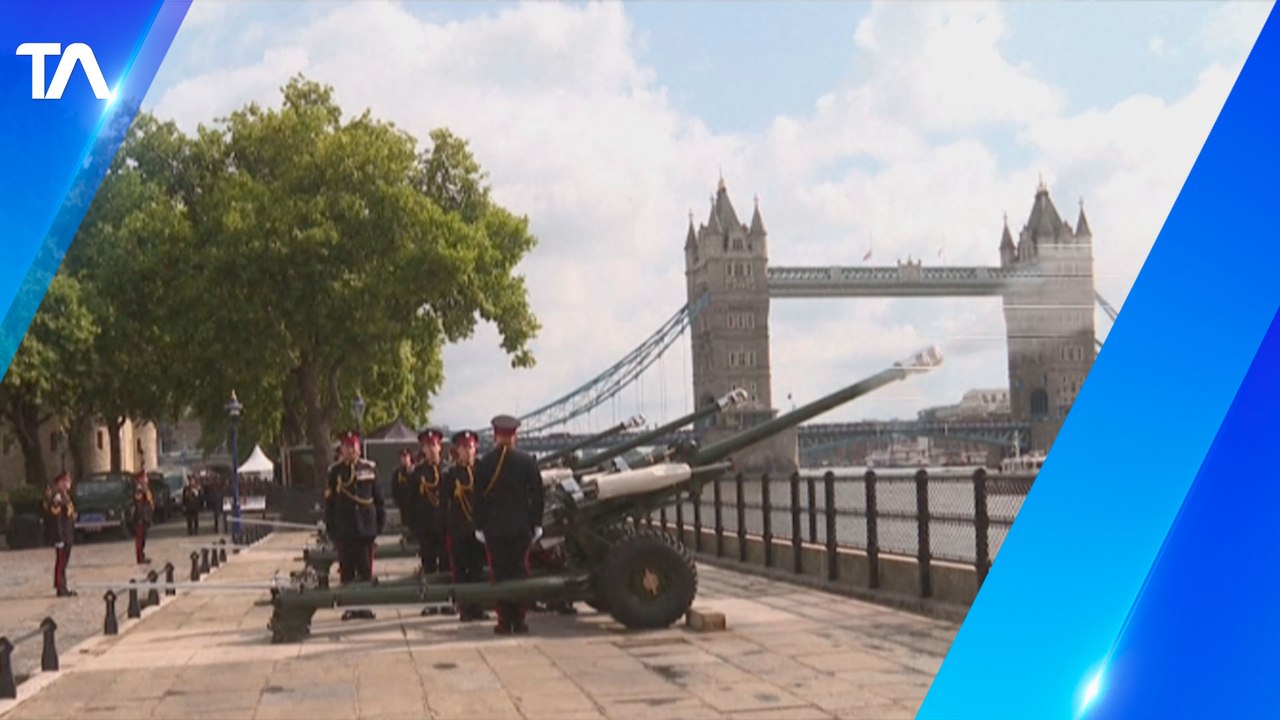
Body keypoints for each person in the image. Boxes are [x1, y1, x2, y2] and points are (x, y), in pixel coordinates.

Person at [472, 414, 545, 635]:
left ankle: (504, 621)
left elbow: (477, 498)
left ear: (495, 435)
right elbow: (538, 495)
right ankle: (519, 620)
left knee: (499, 574)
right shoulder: (527, 461)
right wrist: (536, 524)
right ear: (516, 435)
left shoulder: (485, 463)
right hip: (521, 529)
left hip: (494, 531)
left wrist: (479, 526)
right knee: (520, 572)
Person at [323, 431, 385, 584]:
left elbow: (378, 500)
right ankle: (350, 606)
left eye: (353, 446)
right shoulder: (335, 472)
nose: (350, 450)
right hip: (344, 531)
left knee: (366, 573)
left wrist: (377, 528)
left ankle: (364, 607)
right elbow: (329, 504)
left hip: (365, 531)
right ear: (341, 450)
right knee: (347, 575)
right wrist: (332, 531)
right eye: (347, 447)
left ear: (359, 449)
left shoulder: (369, 468)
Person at [441, 430, 488, 621]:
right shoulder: (451, 474)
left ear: (475, 448)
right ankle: (465, 607)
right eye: (463, 448)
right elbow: (444, 503)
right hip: (459, 529)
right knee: (460, 571)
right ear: (457, 450)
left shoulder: (482, 471)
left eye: (470, 447)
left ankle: (477, 606)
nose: (468, 451)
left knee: (477, 570)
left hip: (478, 529)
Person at [45, 473, 77, 597]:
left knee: (64, 562)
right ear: (59, 483)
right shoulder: (57, 498)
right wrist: (59, 537)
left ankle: (63, 585)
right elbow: (56, 519)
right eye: (65, 481)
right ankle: (60, 586)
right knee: (61, 562)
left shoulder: (65, 497)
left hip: (67, 533)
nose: (68, 483)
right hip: (62, 535)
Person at [391, 449, 416, 540]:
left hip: (414, 502)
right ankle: (407, 537)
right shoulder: (397, 472)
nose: (404, 459)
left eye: (406, 457)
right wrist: (396, 499)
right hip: (403, 502)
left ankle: (414, 537)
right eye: (402, 457)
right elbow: (394, 487)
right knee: (405, 521)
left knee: (414, 521)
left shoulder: (415, 471)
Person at [130, 468, 154, 564]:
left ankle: (142, 555)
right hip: (140, 518)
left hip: (145, 517)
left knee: (143, 539)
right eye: (145, 477)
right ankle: (140, 558)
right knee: (139, 540)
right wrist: (140, 517)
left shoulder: (145, 488)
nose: (147, 479)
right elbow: (139, 503)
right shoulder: (139, 489)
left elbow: (150, 501)